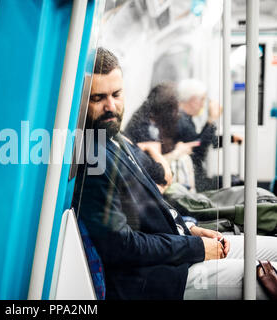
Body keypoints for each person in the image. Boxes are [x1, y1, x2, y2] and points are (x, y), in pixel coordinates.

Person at [74, 47, 277, 300]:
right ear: (80, 101)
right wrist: (195, 248)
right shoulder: (94, 159)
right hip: (162, 277)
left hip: (178, 250)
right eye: (98, 98)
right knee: (268, 276)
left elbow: (155, 197)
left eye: (116, 94)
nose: (111, 106)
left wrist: (190, 229)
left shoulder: (117, 141)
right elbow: (123, 247)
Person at [176, 79, 242, 191]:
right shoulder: (181, 120)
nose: (203, 105)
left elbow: (203, 140)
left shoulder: (185, 118)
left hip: (194, 176)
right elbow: (199, 148)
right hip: (192, 181)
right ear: (192, 100)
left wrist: (230, 138)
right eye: (202, 100)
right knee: (237, 183)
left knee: (235, 180)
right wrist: (211, 120)